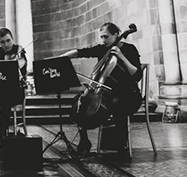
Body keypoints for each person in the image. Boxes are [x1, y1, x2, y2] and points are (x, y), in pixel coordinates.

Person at [61, 22, 142, 157]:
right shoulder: (103, 49)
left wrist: (121, 56)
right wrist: (61, 58)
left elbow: (137, 75)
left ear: (116, 35)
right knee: (80, 103)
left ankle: (122, 144)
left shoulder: (129, 49)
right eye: (101, 37)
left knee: (117, 103)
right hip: (107, 93)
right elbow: (80, 52)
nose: (103, 40)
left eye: (106, 37)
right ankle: (84, 141)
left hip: (129, 94)